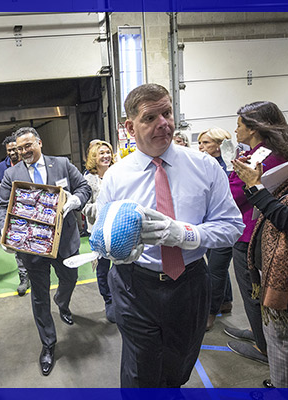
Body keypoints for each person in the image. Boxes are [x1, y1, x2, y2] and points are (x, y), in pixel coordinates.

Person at [96, 83, 244, 388]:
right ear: (130, 126)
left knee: (178, 368)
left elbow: (232, 227)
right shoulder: (115, 177)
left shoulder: (204, 167)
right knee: (141, 370)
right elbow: (102, 238)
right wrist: (103, 237)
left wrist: (185, 234)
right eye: (151, 117)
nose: (163, 123)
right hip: (135, 284)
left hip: (189, 284)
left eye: (167, 113)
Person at [0, 127, 91, 376]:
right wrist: (4, 233)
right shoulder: (10, 174)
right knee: (39, 296)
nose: (24, 151)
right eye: (19, 148)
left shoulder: (62, 164)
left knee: (70, 278)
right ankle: (48, 344)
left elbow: (84, 188)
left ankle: (62, 301)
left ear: (39, 142)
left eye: (28, 145)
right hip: (32, 245)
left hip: (65, 241)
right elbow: (3, 206)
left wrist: (75, 201)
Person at [224, 101, 288, 365]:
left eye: (240, 124)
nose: (236, 129)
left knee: (254, 292)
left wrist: (232, 178)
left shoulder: (259, 157)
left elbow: (236, 196)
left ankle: (263, 347)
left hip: (250, 235)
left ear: (253, 128)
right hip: (266, 233)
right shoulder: (280, 150)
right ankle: (258, 332)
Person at [232, 158, 288, 389]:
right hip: (280, 276)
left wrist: (256, 185)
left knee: (286, 343)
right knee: (281, 341)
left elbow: (285, 218)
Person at [197, 127, 235, 331]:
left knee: (215, 271)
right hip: (209, 225)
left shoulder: (229, 168)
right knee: (216, 265)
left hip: (224, 227)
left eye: (206, 143)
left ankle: (210, 313)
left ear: (220, 146)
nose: (201, 147)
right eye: (200, 143)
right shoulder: (208, 166)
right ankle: (226, 301)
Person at [81, 140, 116, 322]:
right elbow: (85, 208)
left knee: (122, 266)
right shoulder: (87, 181)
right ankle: (109, 301)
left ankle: (122, 301)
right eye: (101, 153)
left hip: (119, 229)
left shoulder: (118, 174)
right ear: (94, 157)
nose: (106, 156)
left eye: (108, 152)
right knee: (102, 270)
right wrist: (104, 208)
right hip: (99, 232)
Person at [0, 134, 29, 296]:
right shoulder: (1, 168)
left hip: (31, 210)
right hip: (13, 214)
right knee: (19, 247)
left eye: (15, 149)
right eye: (9, 150)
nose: (12, 152)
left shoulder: (29, 163)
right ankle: (24, 277)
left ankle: (38, 275)